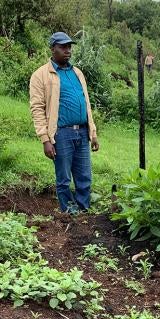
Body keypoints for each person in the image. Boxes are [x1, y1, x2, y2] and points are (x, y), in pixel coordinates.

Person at [30, 32, 99, 214]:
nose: (67, 50)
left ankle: (83, 211)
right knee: (63, 179)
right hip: (61, 134)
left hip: (82, 131)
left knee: (84, 176)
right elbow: (37, 109)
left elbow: (86, 103)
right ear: (52, 49)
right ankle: (68, 213)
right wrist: (45, 139)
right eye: (62, 47)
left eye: (69, 46)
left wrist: (93, 132)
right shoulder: (41, 75)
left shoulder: (77, 72)